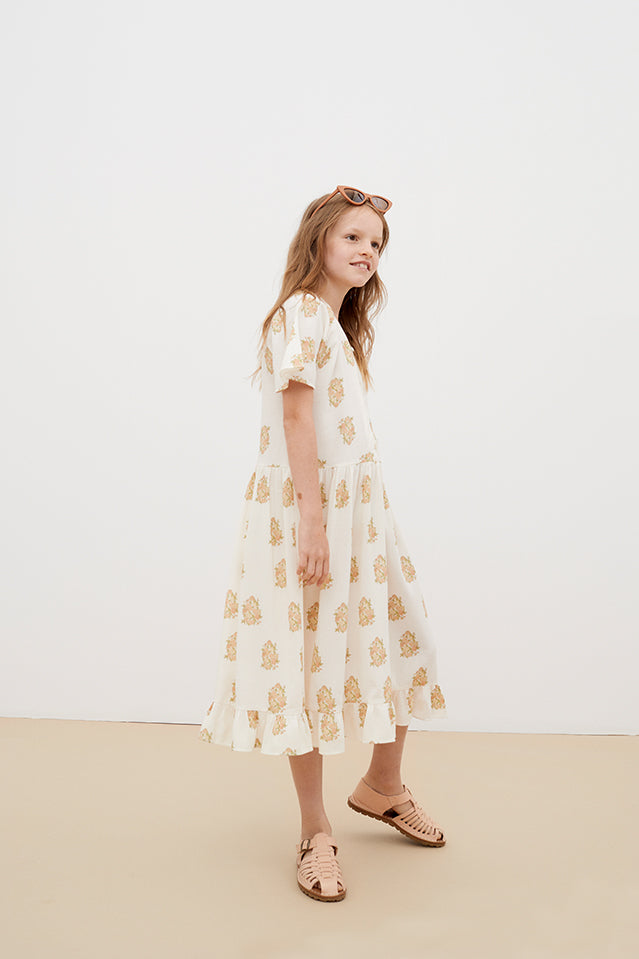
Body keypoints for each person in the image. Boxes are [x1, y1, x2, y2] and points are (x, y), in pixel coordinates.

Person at [199, 185, 447, 902]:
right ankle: (315, 832)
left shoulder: (333, 323)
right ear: (318, 242)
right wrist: (312, 519)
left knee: (405, 638)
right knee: (304, 662)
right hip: (311, 513)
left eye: (376, 243)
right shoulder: (302, 313)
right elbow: (296, 416)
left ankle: (382, 785)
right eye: (353, 237)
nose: (367, 251)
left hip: (358, 513)